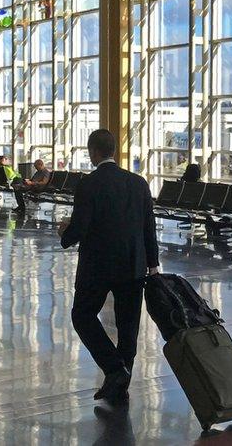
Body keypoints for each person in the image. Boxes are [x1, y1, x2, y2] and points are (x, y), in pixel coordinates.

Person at [59, 129, 159, 404]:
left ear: (93, 151)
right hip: (132, 264)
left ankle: (114, 369)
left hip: (97, 266)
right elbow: (148, 227)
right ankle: (121, 380)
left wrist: (64, 234)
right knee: (128, 326)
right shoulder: (138, 183)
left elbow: (80, 226)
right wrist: (153, 264)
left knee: (82, 315)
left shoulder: (88, 184)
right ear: (113, 150)